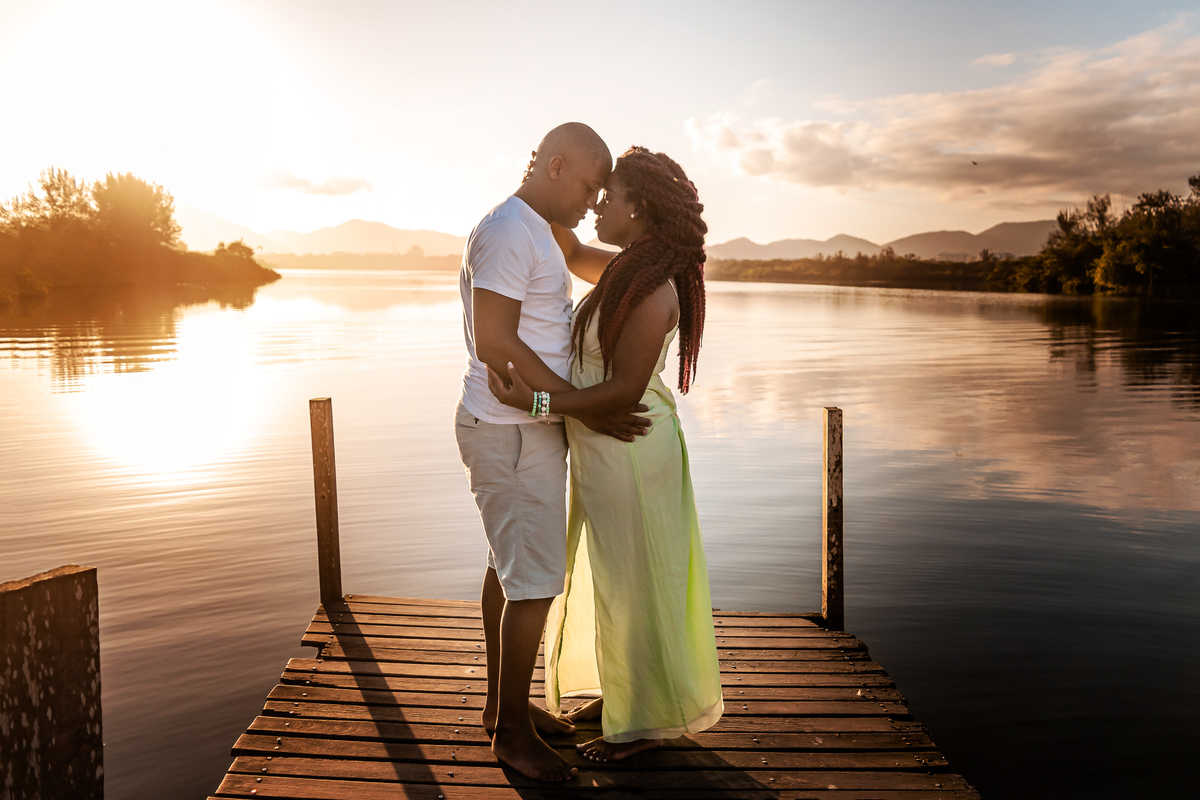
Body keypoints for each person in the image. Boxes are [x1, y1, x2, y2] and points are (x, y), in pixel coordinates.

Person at [488, 146, 724, 762]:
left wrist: (535, 404)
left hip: (631, 450)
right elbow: (562, 247)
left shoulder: (652, 288)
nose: (598, 203)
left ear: (638, 207)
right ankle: (630, 694)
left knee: (637, 579)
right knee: (613, 577)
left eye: (610, 194)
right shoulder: (624, 270)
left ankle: (647, 723)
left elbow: (621, 390)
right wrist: (546, 184)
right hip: (603, 451)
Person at [454, 123, 650, 782]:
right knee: (535, 582)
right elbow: (495, 341)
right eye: (590, 187)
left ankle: (499, 709)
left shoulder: (536, 229)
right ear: (557, 165)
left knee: (508, 569)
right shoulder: (511, 230)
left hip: (521, 427)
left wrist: (563, 411)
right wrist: (581, 405)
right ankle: (511, 735)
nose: (593, 202)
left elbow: (595, 266)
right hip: (509, 430)